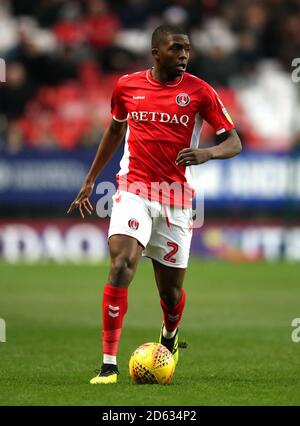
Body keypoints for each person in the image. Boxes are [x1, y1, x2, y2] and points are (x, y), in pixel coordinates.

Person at [67, 25, 242, 384]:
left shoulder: (200, 92)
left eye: (187, 49)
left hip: (176, 199)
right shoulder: (127, 86)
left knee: (171, 293)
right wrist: (90, 179)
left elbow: (234, 141)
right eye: (176, 48)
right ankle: (109, 365)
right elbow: (115, 130)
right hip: (132, 189)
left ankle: (170, 335)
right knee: (120, 265)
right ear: (155, 53)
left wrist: (207, 152)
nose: (183, 55)